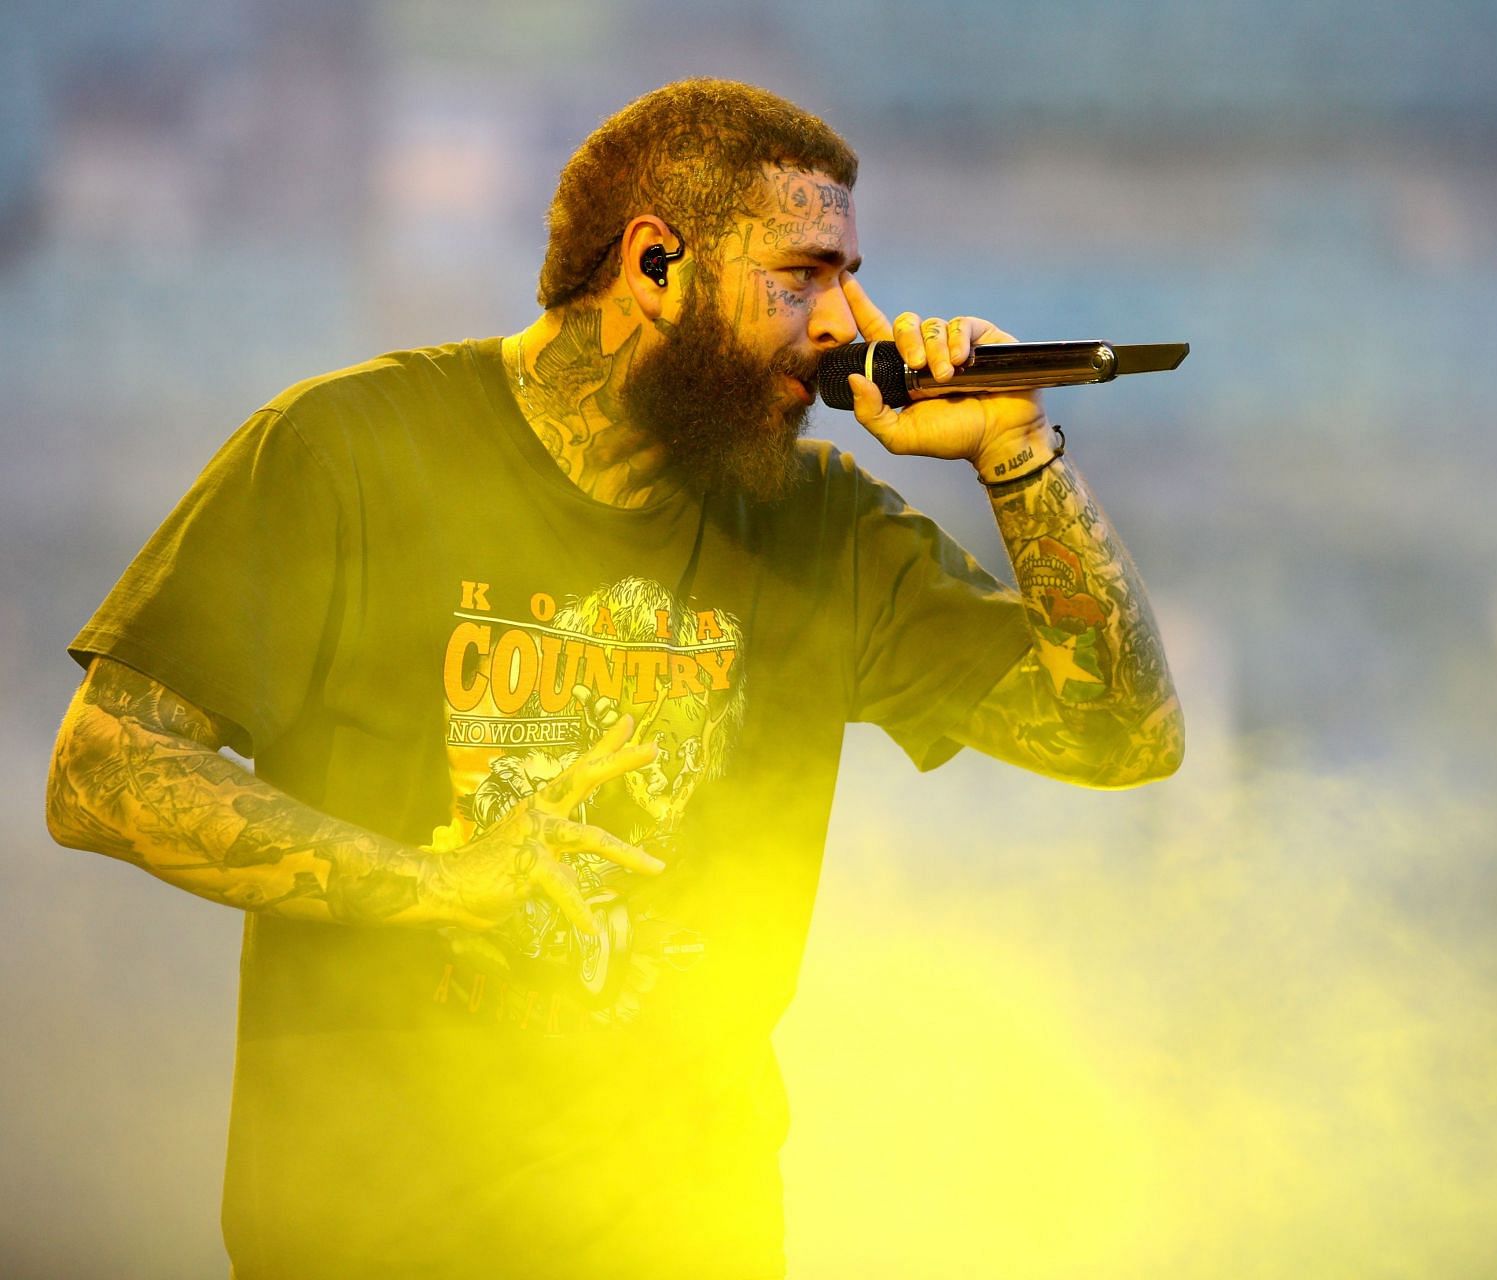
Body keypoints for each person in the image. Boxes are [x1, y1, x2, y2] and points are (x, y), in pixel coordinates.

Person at [44, 78, 1182, 1278]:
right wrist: (434, 883)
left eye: (850, 276)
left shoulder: (819, 526)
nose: (850, 321)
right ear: (654, 263)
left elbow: (1123, 737)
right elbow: (104, 767)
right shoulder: (347, 450)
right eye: (802, 276)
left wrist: (1015, 448)